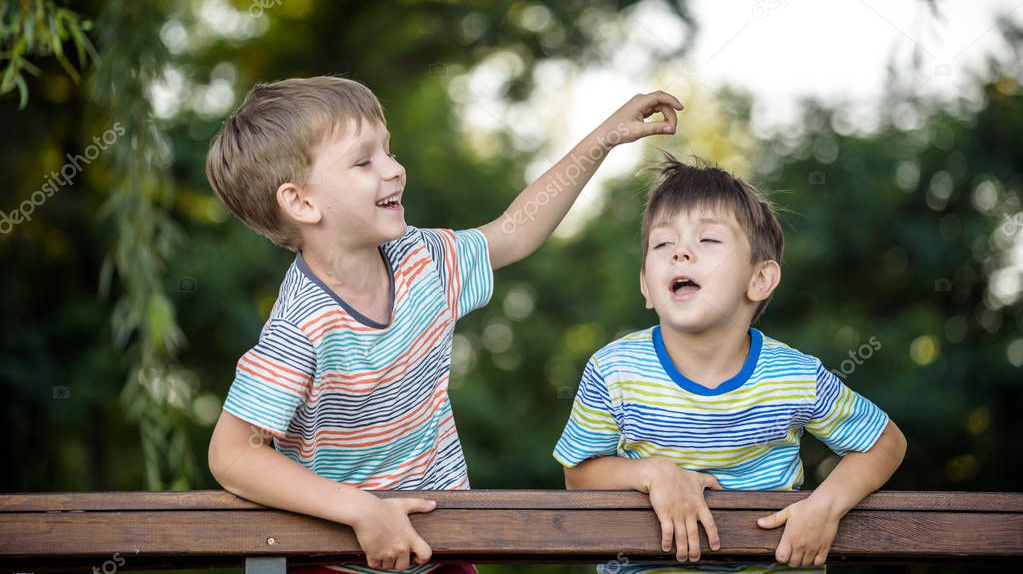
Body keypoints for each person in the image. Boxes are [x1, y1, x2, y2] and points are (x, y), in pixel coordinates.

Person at [204, 75, 683, 573]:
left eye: (388, 151)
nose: (394, 170)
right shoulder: (300, 327)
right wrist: (362, 509)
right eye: (364, 160)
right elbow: (233, 456)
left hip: (441, 541)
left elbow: (514, 234)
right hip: (335, 559)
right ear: (302, 202)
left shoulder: (420, 259)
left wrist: (604, 135)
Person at [553, 154, 907, 572]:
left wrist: (825, 507)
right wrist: (652, 473)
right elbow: (578, 475)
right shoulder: (615, 370)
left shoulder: (793, 376)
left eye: (707, 241)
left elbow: (886, 443)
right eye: (663, 244)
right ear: (647, 286)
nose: (680, 253)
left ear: (759, 279)